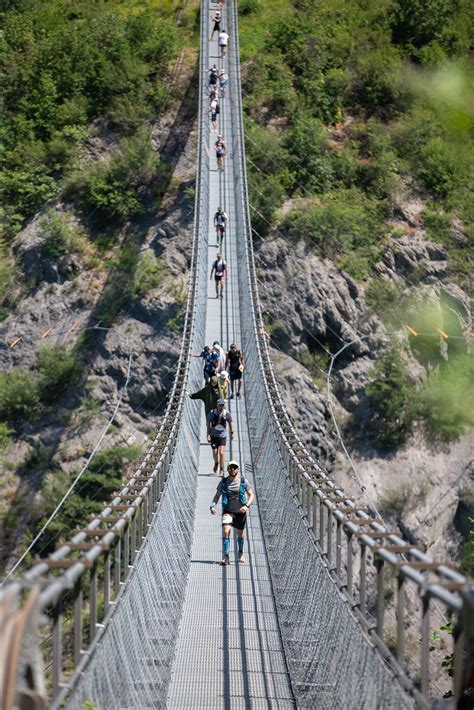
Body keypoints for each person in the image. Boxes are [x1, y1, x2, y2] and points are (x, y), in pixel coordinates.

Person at [210, 461, 255, 565]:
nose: (233, 470)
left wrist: (247, 505)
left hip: (240, 511)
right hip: (228, 511)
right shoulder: (224, 482)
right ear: (228, 469)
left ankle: (240, 552)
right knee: (226, 531)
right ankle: (226, 557)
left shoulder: (243, 481)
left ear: (238, 469)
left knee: (240, 533)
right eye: (231, 468)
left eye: (235, 468)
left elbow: (251, 495)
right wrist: (213, 505)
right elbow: (217, 496)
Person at [207, 399, 234, 476]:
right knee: (215, 453)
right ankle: (216, 463)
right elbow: (208, 422)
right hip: (214, 435)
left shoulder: (226, 413)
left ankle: (222, 469)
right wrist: (208, 434)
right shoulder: (213, 413)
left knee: (221, 453)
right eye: (219, 405)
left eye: (222, 405)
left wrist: (232, 433)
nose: (221, 406)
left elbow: (230, 422)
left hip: (222, 435)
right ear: (217, 405)